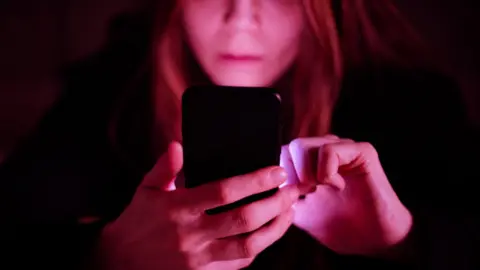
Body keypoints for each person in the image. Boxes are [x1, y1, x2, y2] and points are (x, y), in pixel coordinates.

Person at [1, 0, 479, 269]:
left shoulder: (410, 103)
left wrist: (403, 242)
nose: (241, 16)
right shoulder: (114, 90)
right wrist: (107, 255)